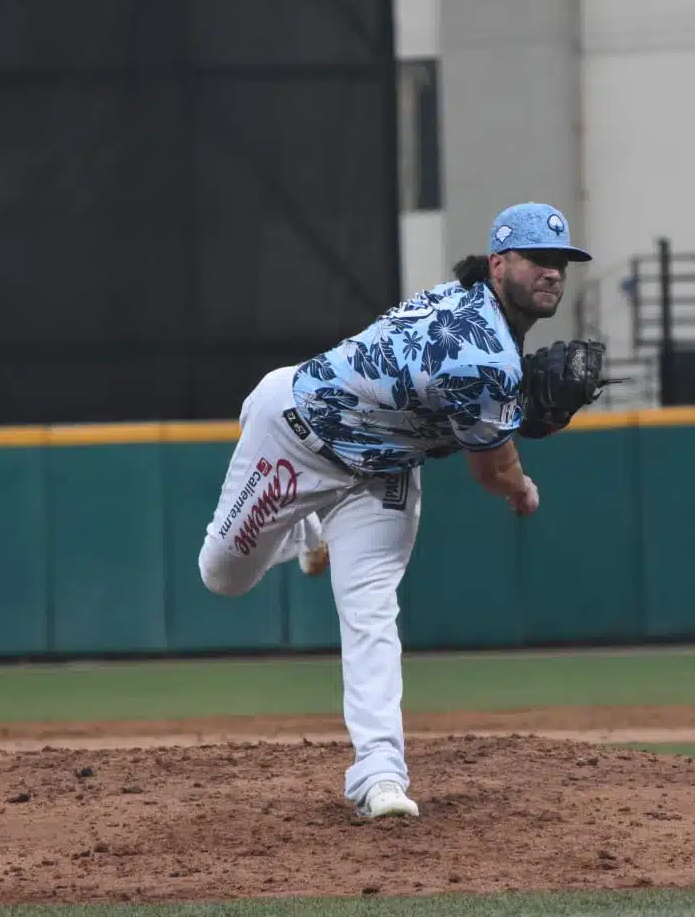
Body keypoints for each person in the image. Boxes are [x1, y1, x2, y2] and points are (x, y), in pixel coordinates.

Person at [197, 202, 594, 819]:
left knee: (372, 616)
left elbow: (478, 416)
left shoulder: (473, 307)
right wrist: (523, 488)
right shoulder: (485, 356)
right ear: (499, 264)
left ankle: (380, 775)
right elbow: (491, 470)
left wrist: (512, 414)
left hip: (380, 470)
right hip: (295, 434)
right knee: (221, 577)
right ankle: (306, 529)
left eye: (561, 262)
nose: (553, 273)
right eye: (538, 259)